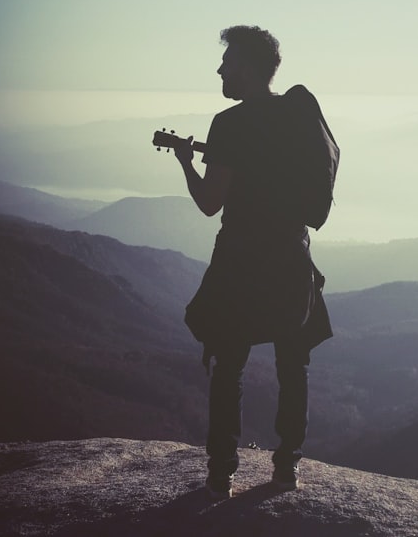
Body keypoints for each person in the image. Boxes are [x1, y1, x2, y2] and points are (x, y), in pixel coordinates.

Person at [171, 25, 333, 500]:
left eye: (228, 61)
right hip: (290, 257)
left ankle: (221, 472)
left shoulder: (230, 124)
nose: (220, 68)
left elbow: (209, 202)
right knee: (293, 363)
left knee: (228, 365)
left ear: (248, 66)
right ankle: (287, 468)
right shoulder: (296, 115)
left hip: (241, 260)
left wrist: (185, 162)